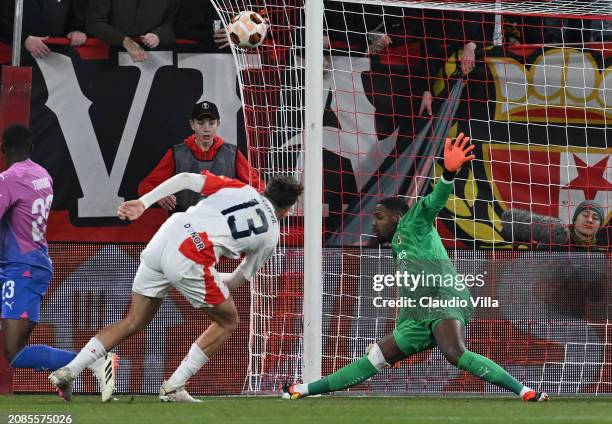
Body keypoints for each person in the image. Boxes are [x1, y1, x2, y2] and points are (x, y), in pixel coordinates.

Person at [283, 133, 549, 402]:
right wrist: (403, 323)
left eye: (379, 217)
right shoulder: (398, 247)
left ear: (398, 217)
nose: (373, 223)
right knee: (373, 359)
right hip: (417, 313)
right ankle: (303, 389)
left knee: (454, 353)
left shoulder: (414, 222)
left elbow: (435, 201)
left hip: (444, 296)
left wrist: (448, 173)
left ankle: (524, 391)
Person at [49, 170, 303, 402]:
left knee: (133, 321)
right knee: (228, 320)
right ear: (286, 210)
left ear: (264, 190)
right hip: (192, 254)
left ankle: (69, 370)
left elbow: (185, 179)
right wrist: (215, 276)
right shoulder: (271, 236)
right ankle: (174, 386)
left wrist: (143, 203)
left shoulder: (242, 189)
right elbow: (238, 279)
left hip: (166, 234)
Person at [0, 125, 115, 402]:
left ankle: (93, 360)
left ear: (3, 150)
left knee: (14, 352)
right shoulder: (43, 175)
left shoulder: (8, 179)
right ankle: (69, 373)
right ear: (31, 148)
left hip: (21, 269)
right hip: (30, 265)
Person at [138, 100, 262, 213]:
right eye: (201, 123)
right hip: (185, 222)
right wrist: (159, 195)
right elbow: (146, 184)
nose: (206, 128)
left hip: (222, 222)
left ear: (218, 124)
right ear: (192, 124)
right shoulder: (177, 154)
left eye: (211, 123)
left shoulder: (232, 154)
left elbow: (258, 187)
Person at [86, 0, 178, 63]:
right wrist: (124, 41)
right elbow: (94, 22)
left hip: (152, 59)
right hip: (107, 57)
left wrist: (157, 35)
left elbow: (170, 24)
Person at [0, 0, 88, 59]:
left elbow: (75, 18)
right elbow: (2, 22)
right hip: (17, 59)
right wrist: (24, 39)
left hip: (56, 60)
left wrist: (76, 31)